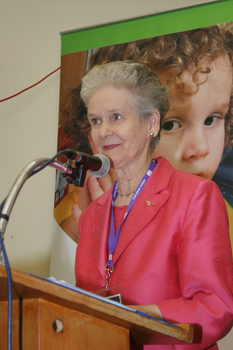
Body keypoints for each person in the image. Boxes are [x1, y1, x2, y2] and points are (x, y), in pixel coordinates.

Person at [71, 61, 233, 350]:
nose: (103, 131)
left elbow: (215, 307)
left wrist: (137, 319)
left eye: (116, 117)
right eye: (95, 121)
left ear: (152, 123)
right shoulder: (91, 217)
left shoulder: (195, 196)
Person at [59, 23, 233, 247]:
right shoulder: (85, 201)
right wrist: (78, 230)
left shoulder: (217, 214)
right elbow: (45, 272)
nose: (200, 149)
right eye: (170, 125)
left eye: (211, 119)